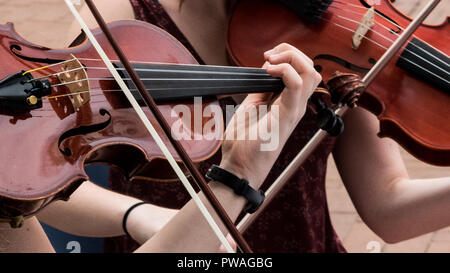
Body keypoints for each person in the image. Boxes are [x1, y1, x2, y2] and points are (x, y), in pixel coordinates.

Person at [60, 0, 449, 253]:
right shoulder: (122, 25)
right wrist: (141, 216)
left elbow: (388, 206)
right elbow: (35, 183)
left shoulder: (342, 25)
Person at [0, 1, 321, 252]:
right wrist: (238, 175)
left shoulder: (317, 24)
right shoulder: (124, 17)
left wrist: (238, 172)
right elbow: (45, 169)